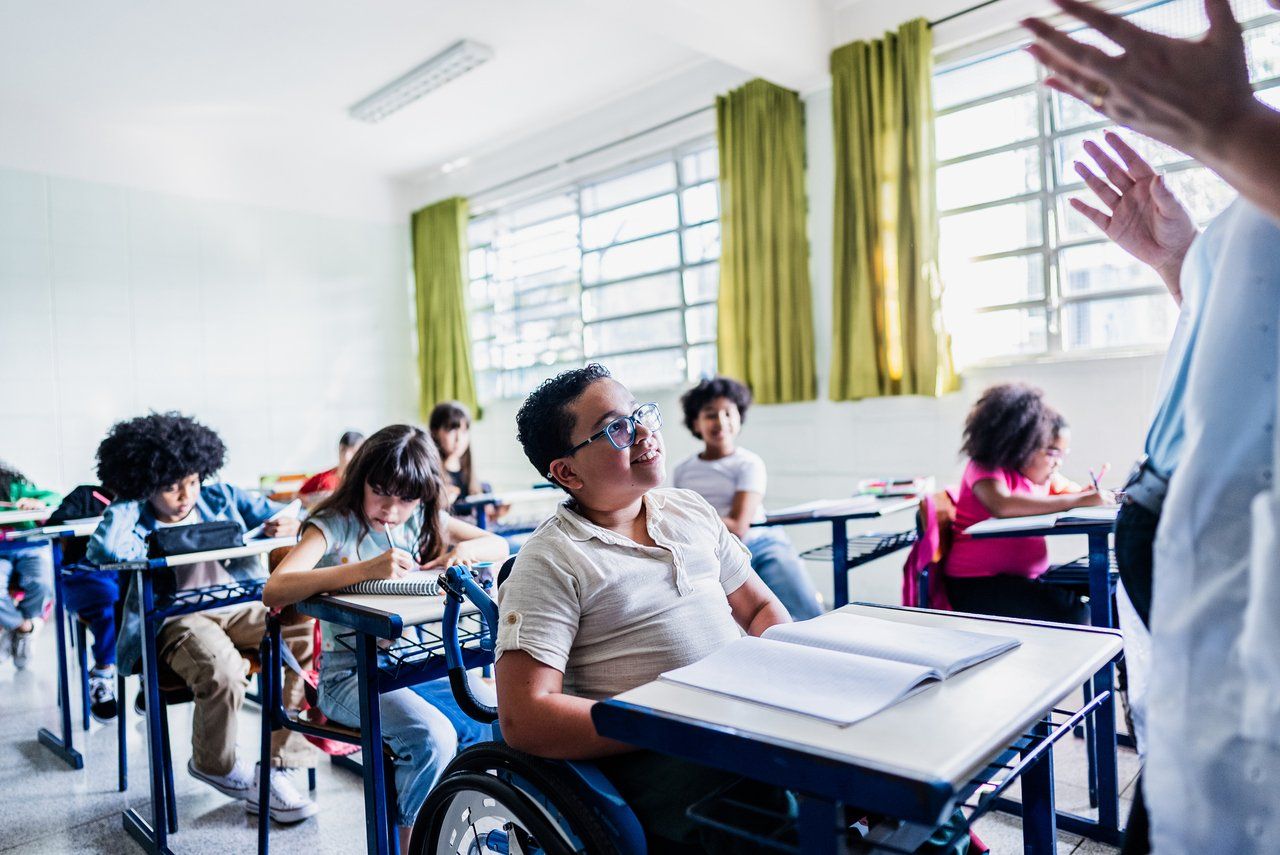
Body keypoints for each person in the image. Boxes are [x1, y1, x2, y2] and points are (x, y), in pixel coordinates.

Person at [496, 364, 969, 854]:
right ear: (567, 471)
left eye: (640, 415)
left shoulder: (688, 510)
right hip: (661, 752)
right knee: (778, 811)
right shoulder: (551, 560)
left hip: (742, 716)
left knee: (905, 766)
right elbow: (525, 717)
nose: (643, 433)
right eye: (616, 428)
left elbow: (759, 605)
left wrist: (785, 673)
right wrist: (661, 719)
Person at [1023, 0, 1280, 849]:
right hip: (1176, 525)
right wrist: (1184, 264)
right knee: (1177, 788)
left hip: (1245, 552)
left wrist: (1229, 128)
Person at [263, 424, 508, 853]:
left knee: (493, 715)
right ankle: (414, 844)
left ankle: (453, 825)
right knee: (432, 738)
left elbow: (497, 545)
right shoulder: (333, 524)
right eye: (380, 492)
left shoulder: (417, 517)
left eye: (406, 499)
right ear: (361, 479)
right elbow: (275, 589)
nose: (391, 510)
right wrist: (365, 570)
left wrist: (463, 553)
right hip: (348, 677)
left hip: (411, 666)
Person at [86, 412, 318, 823]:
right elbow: (102, 550)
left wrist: (291, 520)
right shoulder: (134, 517)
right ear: (146, 483)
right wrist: (130, 495)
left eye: (192, 481)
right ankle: (215, 764)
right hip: (177, 617)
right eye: (171, 486)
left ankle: (277, 766)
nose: (185, 495)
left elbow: (290, 512)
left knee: (304, 629)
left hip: (237, 604)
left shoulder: (220, 497)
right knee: (224, 670)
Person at [944, 384, 1109, 624]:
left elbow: (1074, 495)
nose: (1057, 462)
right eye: (1051, 452)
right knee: (1077, 615)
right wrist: (1080, 499)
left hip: (1028, 577)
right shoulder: (984, 466)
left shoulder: (1037, 476)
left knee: (1110, 591)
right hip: (977, 583)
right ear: (1023, 445)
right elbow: (1002, 505)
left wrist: (1089, 495)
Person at [671, 375, 823, 619]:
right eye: (710, 415)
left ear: (739, 418)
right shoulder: (683, 470)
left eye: (728, 413)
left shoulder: (749, 464)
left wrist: (695, 519)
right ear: (695, 423)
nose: (721, 421)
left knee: (807, 612)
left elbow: (739, 526)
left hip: (762, 544)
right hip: (714, 550)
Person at [0, 461, 59, 670]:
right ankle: (23, 628)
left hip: (30, 546)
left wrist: (38, 503)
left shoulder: (15, 487)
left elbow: (55, 498)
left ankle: (18, 627)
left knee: (43, 583)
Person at [297, 431, 364, 509]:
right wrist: (317, 499)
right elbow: (298, 496)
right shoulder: (324, 479)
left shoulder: (364, 482)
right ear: (339, 449)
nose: (347, 456)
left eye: (353, 452)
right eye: (343, 450)